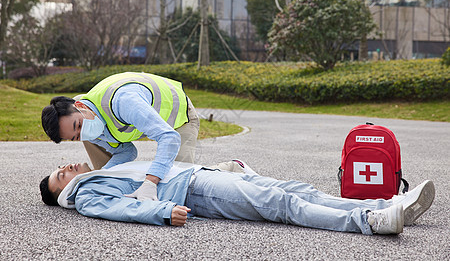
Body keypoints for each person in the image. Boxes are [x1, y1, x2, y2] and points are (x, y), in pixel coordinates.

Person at [39, 160, 435, 235]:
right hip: (193, 191)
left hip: (199, 175)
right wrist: (161, 212)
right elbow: (121, 208)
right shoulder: (87, 194)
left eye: (62, 166)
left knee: (296, 191)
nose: (66, 167)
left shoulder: (104, 169)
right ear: (61, 193)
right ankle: (368, 222)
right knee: (281, 206)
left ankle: (387, 206)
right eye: (60, 175)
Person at [41, 72, 246, 201]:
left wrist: (150, 182)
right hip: (147, 120)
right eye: (75, 137)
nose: (83, 133)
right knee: (166, 181)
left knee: (183, 183)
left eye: (78, 125)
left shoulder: (123, 101)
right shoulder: (86, 121)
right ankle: (107, 181)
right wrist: (103, 174)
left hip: (179, 118)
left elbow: (169, 138)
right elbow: (127, 151)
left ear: (81, 106)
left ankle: (231, 167)